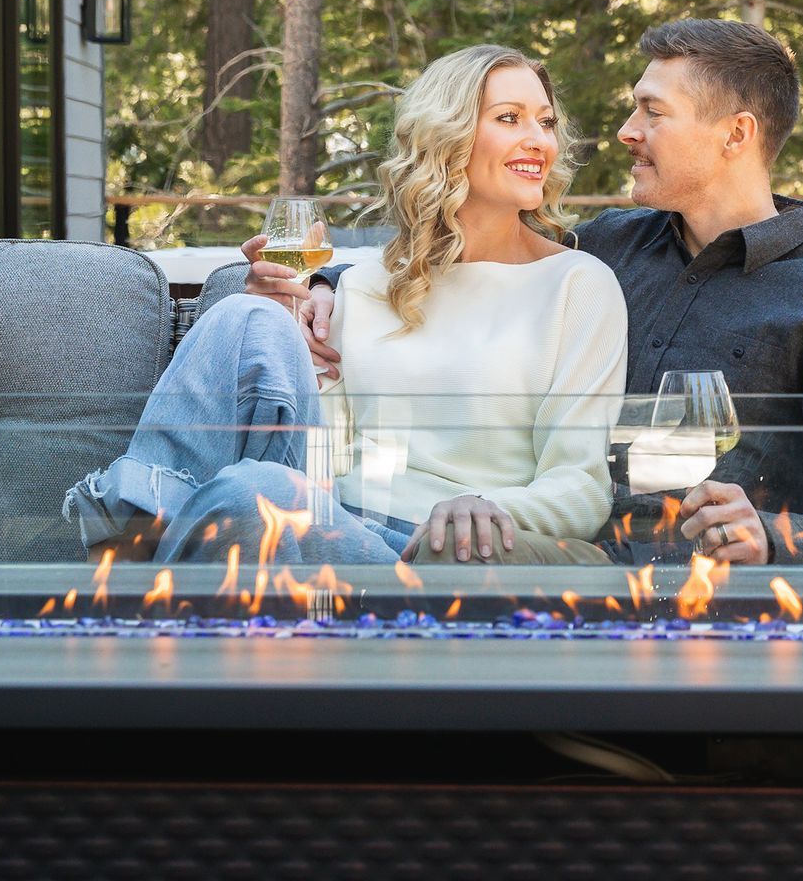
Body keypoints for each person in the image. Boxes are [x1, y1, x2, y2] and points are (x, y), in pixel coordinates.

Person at [274, 19, 803, 566]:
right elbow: (468, 250)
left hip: (685, 584)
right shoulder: (610, 247)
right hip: (560, 547)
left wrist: (771, 535)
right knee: (279, 510)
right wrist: (327, 286)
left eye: (653, 111)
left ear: (735, 135)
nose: (625, 131)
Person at [64, 44, 627, 567]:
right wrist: (286, 333)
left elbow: (580, 487)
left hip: (422, 551)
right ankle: (123, 547)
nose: (539, 140)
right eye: (509, 118)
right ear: (446, 136)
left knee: (249, 491)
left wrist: (487, 508)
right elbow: (323, 462)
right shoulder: (360, 286)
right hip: (331, 522)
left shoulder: (576, 285)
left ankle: (123, 584)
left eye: (545, 122)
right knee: (246, 316)